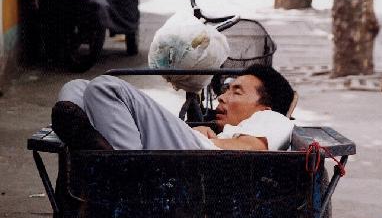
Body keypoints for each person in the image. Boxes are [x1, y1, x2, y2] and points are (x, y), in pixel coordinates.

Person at [52, 64, 295, 153]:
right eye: (226, 89)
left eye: (237, 92)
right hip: (187, 151)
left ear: (265, 107)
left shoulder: (274, 119)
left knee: (106, 86)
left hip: (197, 160)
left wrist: (208, 138)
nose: (222, 97)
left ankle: (122, 168)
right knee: (77, 87)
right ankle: (99, 148)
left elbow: (250, 148)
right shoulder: (233, 130)